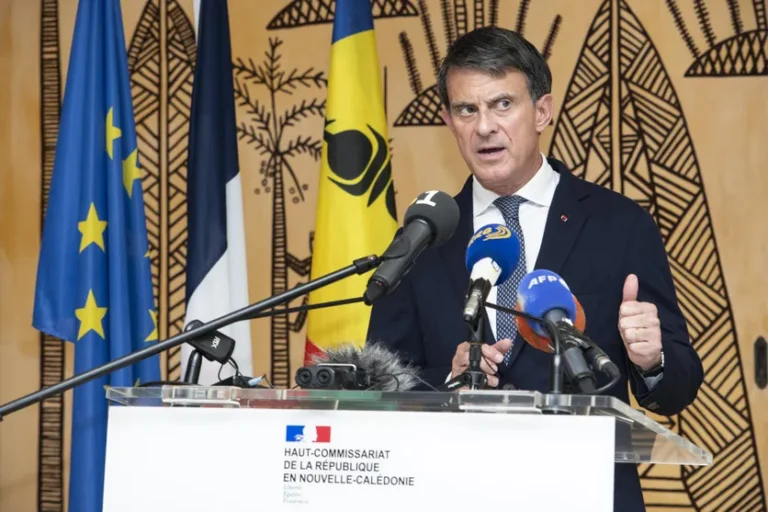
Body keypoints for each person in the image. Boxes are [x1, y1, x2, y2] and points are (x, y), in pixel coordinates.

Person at [366, 26, 703, 512]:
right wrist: (449, 378)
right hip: (458, 492)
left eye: (502, 104)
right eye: (466, 110)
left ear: (542, 111)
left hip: (584, 492)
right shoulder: (424, 239)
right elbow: (381, 383)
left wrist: (653, 360)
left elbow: (678, 388)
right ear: (449, 122)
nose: (484, 126)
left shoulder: (618, 224)